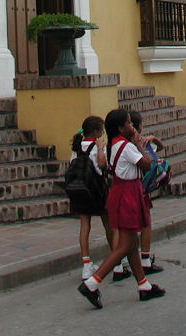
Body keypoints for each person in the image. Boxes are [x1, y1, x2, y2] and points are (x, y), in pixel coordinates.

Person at [78, 109, 164, 308]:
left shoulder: (114, 144)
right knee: (125, 245)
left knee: (131, 243)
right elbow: (148, 165)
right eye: (128, 123)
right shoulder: (126, 146)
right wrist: (140, 144)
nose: (132, 126)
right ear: (120, 128)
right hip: (128, 194)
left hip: (121, 192)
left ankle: (144, 285)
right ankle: (92, 283)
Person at [116, 110, 164, 278]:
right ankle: (144, 260)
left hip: (123, 190)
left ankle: (121, 265)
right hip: (136, 188)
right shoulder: (132, 146)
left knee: (123, 229)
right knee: (145, 225)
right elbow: (149, 162)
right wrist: (147, 142)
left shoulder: (118, 144)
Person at [70, 116, 112, 281]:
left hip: (81, 190)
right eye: (101, 130)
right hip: (97, 190)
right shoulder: (96, 146)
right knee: (108, 223)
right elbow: (102, 164)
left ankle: (86, 264)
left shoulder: (77, 147)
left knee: (84, 225)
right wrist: (101, 148)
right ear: (95, 132)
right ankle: (116, 258)